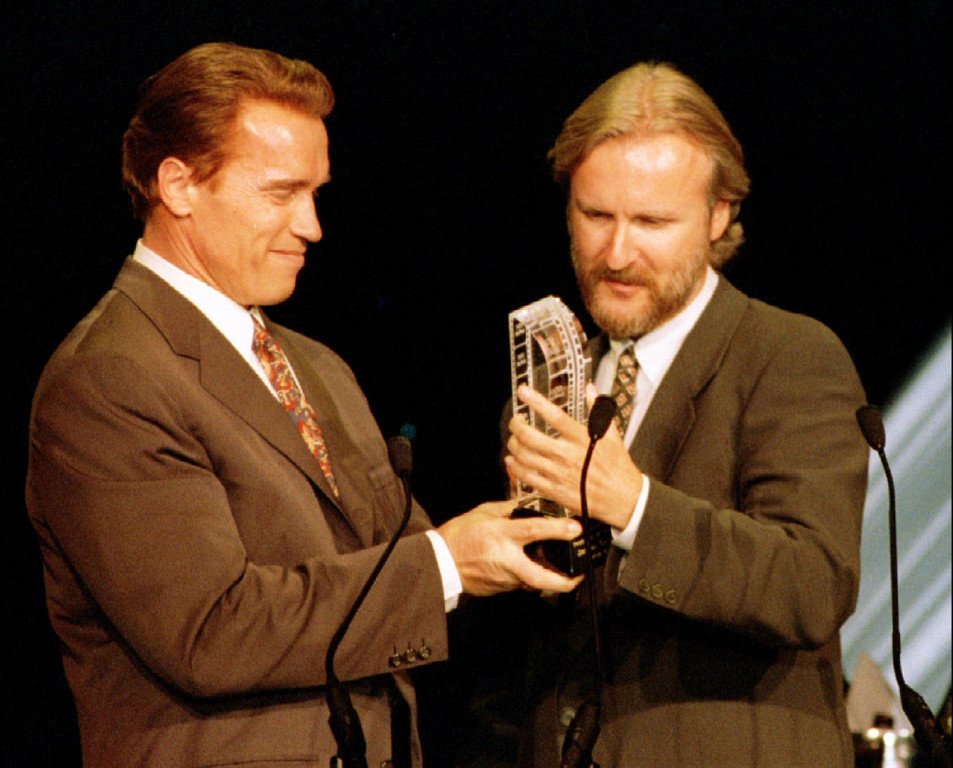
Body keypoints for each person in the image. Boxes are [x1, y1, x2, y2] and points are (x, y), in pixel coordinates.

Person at [25, 42, 583, 768]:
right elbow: (210, 632)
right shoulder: (109, 378)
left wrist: (533, 517)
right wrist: (449, 562)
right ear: (179, 185)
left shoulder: (315, 365)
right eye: (280, 193)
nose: (312, 226)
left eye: (315, 193)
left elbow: (402, 568)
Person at [504, 62, 869, 768]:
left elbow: (812, 583)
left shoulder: (789, 353)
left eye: (651, 222)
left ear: (719, 215)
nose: (617, 253)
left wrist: (632, 505)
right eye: (595, 216)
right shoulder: (557, 374)